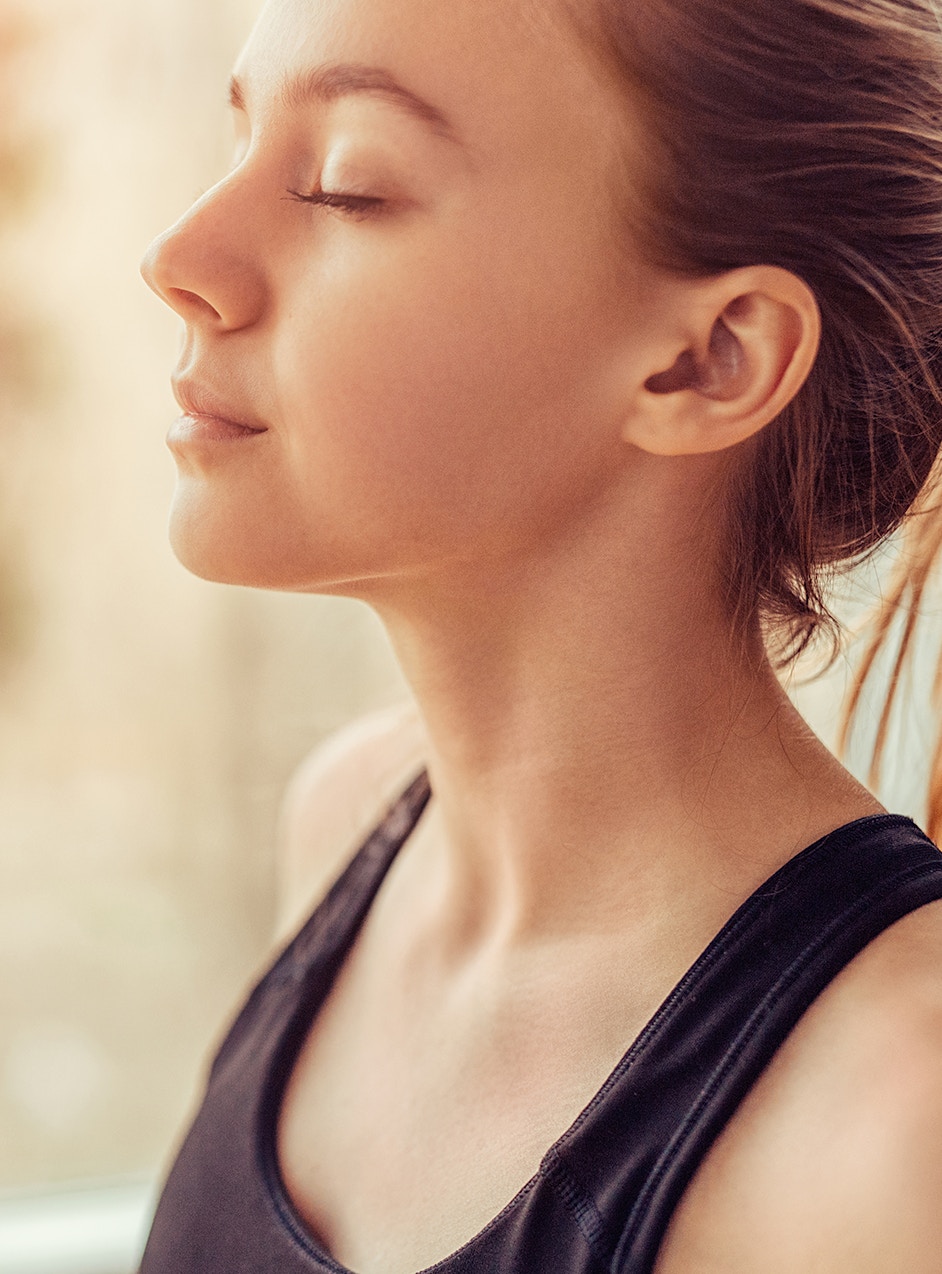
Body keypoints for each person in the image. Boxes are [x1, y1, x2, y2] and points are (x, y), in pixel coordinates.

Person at [138, 0, 942, 1269]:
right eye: (234, 138)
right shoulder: (350, 819)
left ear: (710, 358)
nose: (178, 254)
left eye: (349, 186)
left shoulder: (900, 1117)